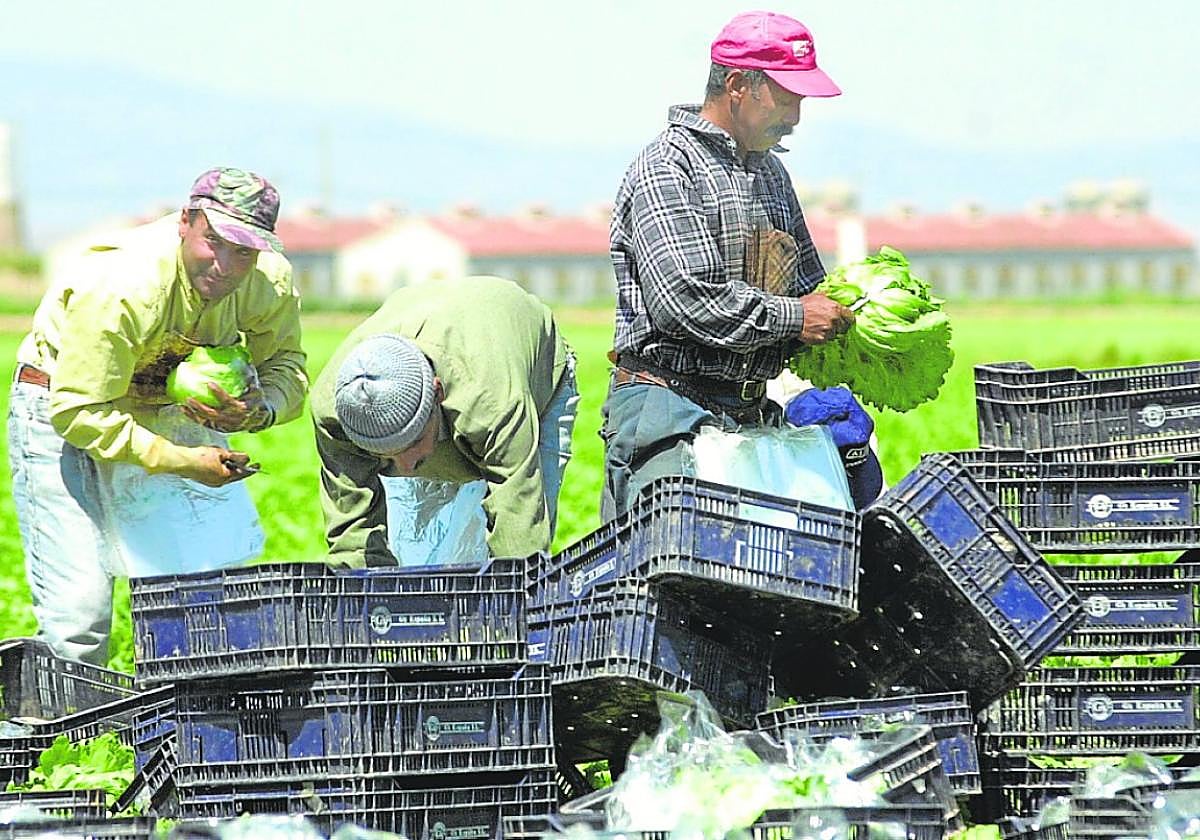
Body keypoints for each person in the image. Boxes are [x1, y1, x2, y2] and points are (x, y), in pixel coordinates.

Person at [8, 167, 308, 665]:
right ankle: (63, 713)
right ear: (186, 222)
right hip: (63, 410)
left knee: (198, 585)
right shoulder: (123, 286)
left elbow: (287, 366)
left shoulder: (266, 281)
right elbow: (78, 409)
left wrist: (259, 410)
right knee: (78, 613)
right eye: (214, 242)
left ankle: (182, 707)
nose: (226, 266)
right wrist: (183, 461)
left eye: (244, 252)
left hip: (160, 409)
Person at [601, 10, 857, 518]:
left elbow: (809, 285)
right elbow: (685, 302)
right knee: (671, 558)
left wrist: (850, 320)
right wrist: (797, 318)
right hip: (670, 411)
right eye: (787, 97)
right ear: (738, 85)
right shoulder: (668, 168)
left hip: (749, 413)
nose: (796, 116)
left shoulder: (771, 175)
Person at [311, 275, 578, 568]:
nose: (406, 468)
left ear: (437, 393)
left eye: (412, 442)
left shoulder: (491, 402)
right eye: (385, 455)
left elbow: (518, 535)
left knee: (517, 552)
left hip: (534, 379)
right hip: (444, 379)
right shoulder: (338, 410)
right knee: (415, 558)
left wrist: (511, 584)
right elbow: (353, 535)